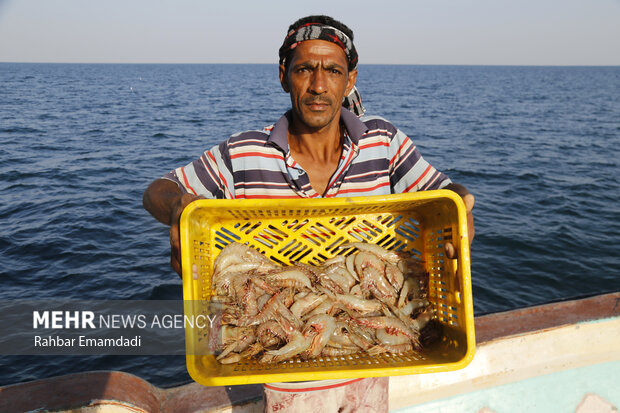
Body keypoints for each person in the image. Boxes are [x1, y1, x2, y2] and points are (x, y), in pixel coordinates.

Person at [143, 14, 474, 413]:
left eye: (333, 70)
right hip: (280, 381)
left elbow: (442, 191)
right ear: (284, 76)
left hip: (373, 370)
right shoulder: (245, 152)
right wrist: (179, 205)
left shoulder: (383, 141)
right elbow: (157, 190)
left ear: (350, 79)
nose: (319, 85)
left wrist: (461, 203)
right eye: (305, 70)